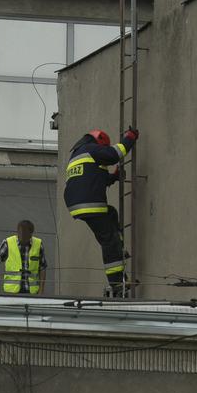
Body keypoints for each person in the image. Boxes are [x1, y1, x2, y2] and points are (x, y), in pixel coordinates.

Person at [63, 127, 139, 297]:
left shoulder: (78, 155)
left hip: (77, 205)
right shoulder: (92, 149)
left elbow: (96, 180)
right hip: (89, 203)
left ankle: (119, 248)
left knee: (110, 214)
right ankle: (118, 284)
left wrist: (114, 176)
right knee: (108, 241)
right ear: (99, 140)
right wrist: (130, 138)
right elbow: (114, 154)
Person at [0, 220, 47, 295]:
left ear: (31, 234)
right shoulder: (8, 243)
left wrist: (41, 291)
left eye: (25, 236)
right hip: (11, 293)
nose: (22, 239)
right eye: (21, 235)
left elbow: (42, 268)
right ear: (17, 232)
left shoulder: (38, 244)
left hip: (32, 293)